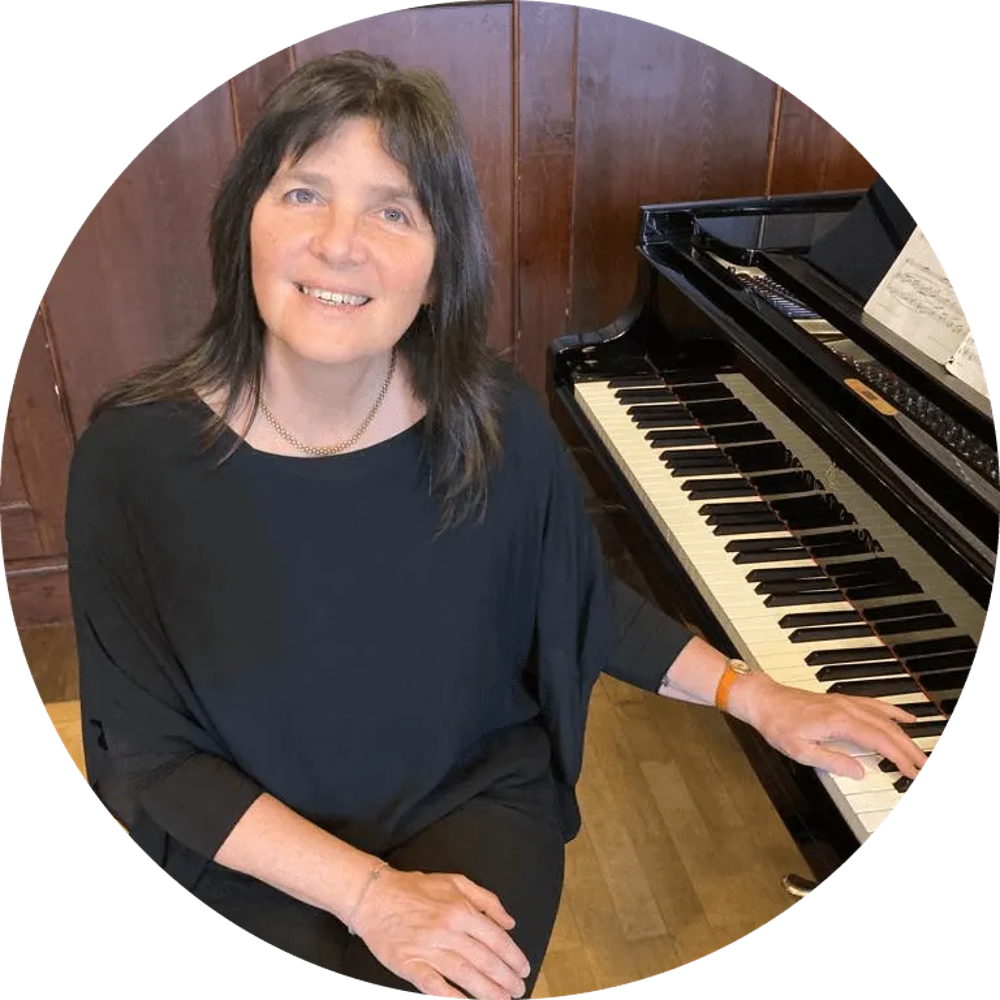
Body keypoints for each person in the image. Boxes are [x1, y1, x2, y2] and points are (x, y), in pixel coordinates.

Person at [66, 51, 927, 998]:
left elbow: (576, 596)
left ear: (439, 270)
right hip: (243, 835)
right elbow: (148, 752)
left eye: (394, 211)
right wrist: (369, 894)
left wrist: (755, 697)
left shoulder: (491, 417)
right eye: (304, 193)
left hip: (468, 800)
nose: (340, 243)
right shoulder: (128, 461)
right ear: (246, 224)